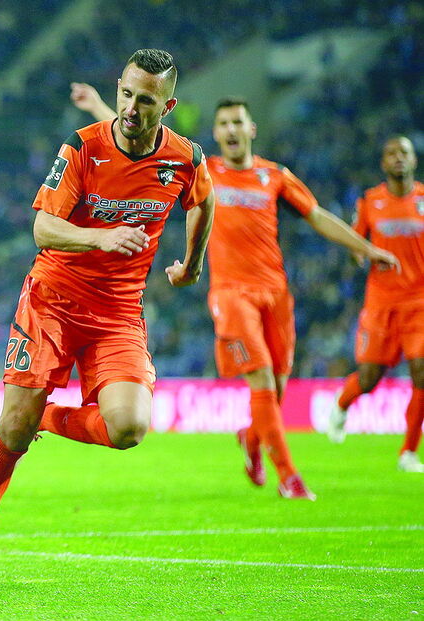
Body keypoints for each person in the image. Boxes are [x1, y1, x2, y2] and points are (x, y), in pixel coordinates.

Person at [0, 49, 215, 581]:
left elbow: (204, 201)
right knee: (12, 431)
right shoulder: (83, 147)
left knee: (130, 428)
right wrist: (101, 236)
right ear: (118, 88)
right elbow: (43, 228)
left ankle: (46, 415)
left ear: (169, 105)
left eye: (147, 100)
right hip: (52, 303)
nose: (132, 108)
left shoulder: (186, 158)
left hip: (116, 316)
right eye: (127, 94)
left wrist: (191, 265)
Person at [70, 89, 398, 500]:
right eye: (223, 124)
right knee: (260, 379)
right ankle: (290, 477)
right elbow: (140, 135)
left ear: (251, 129)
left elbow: (316, 215)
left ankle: (251, 438)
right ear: (217, 132)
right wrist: (99, 105)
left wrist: (364, 247)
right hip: (230, 293)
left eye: (237, 122)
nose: (230, 130)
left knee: (276, 390)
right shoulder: (202, 170)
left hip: (276, 294)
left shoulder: (275, 175)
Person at [328, 136, 424, 472]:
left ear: (414, 160)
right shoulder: (371, 201)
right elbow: (357, 242)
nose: (399, 158)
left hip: (419, 304)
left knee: (422, 372)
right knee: (369, 377)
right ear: (384, 164)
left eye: (405, 153)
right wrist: (359, 255)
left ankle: (408, 452)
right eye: (392, 153)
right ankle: (341, 404)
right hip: (381, 304)